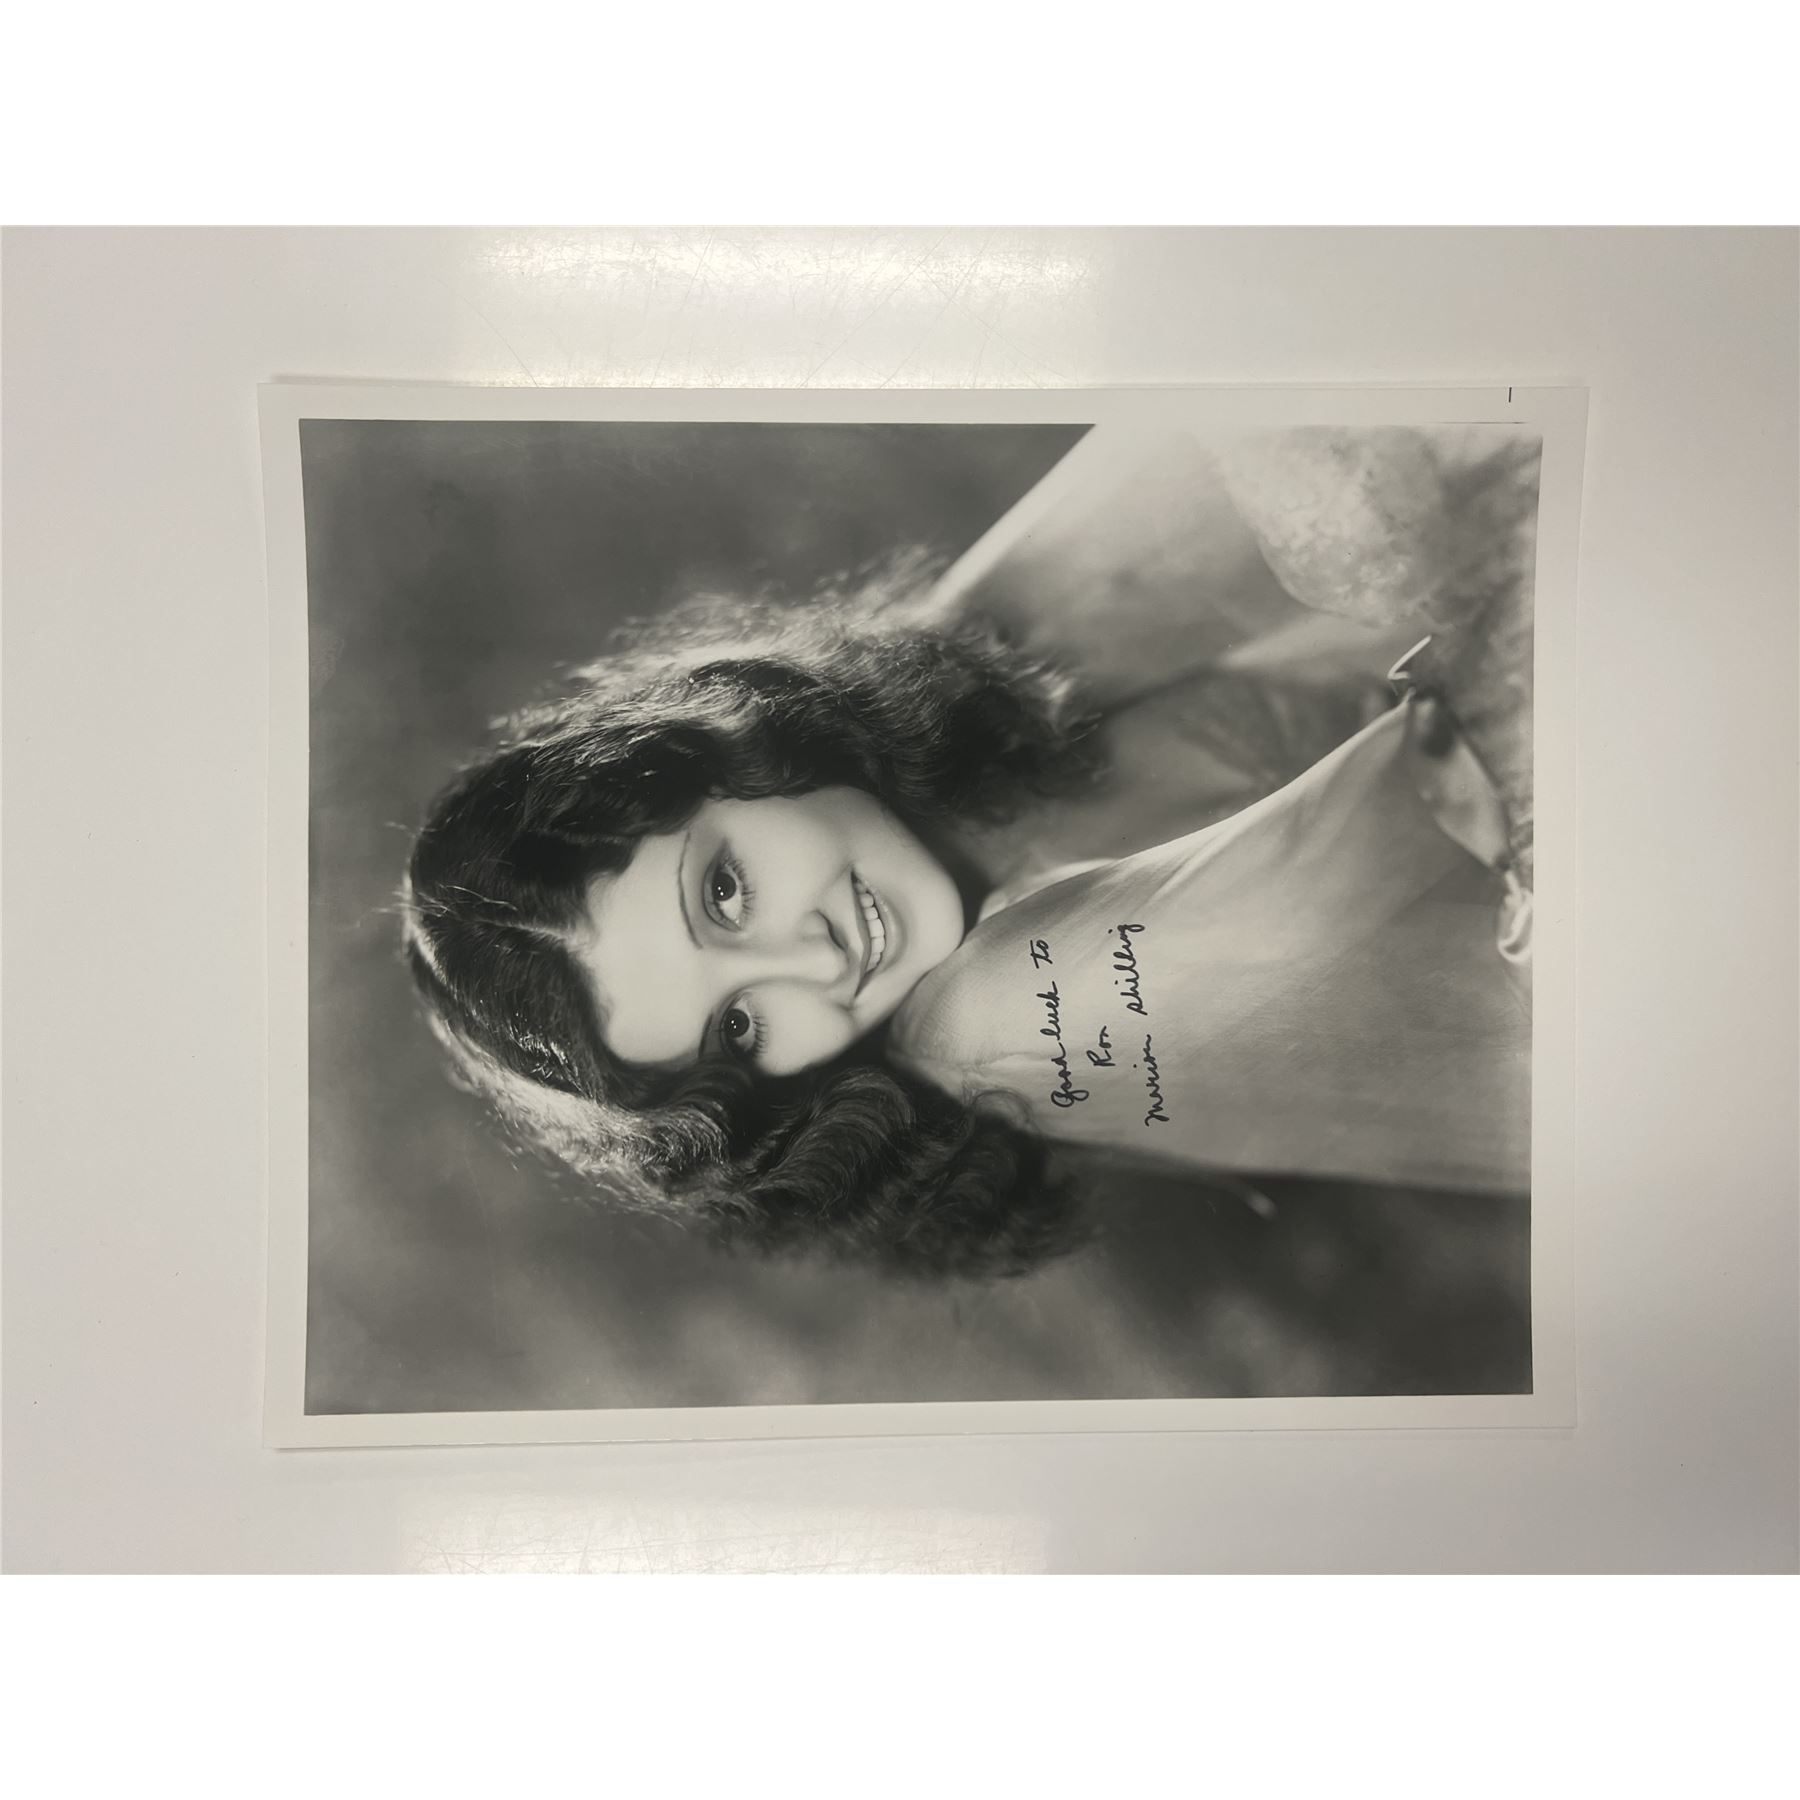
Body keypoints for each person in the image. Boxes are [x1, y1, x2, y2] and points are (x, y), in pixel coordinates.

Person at [403, 431, 1536, 1279]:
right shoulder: (996, 1032)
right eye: (739, 1030)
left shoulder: (959, 721)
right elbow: (1488, 766)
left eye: (727, 891)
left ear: (734, 746)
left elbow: (1293, 420)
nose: (816, 963)